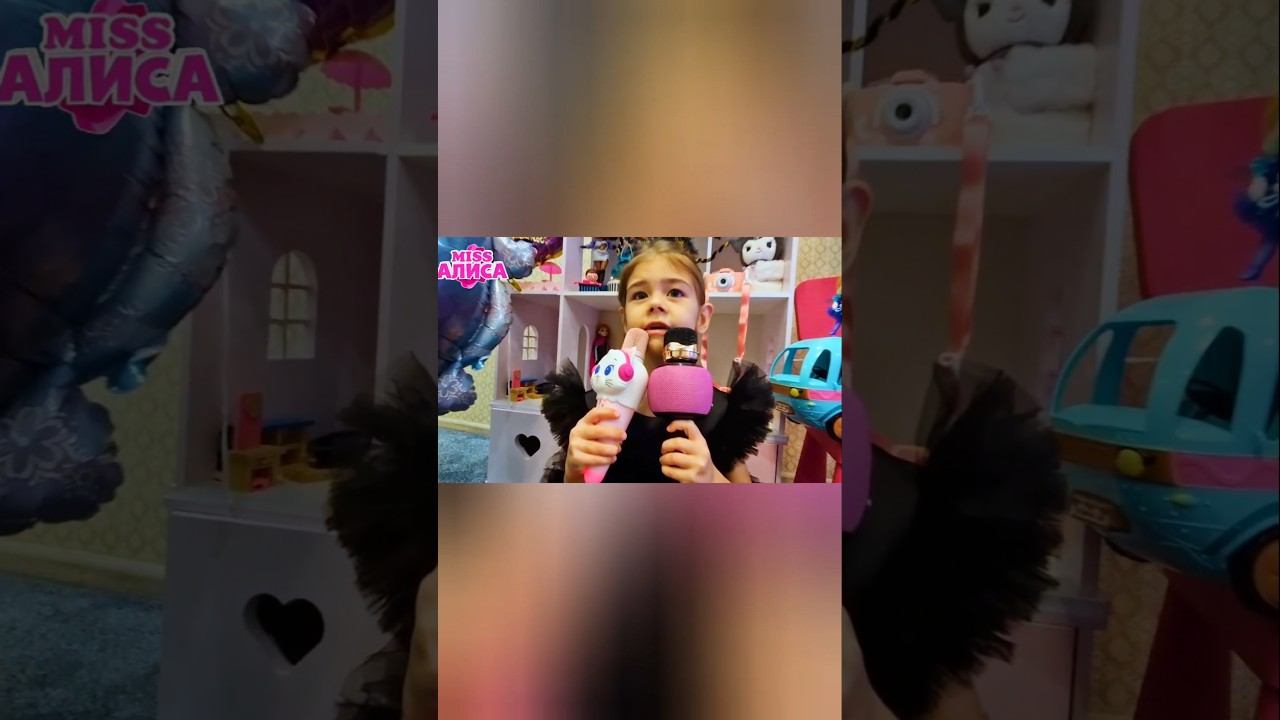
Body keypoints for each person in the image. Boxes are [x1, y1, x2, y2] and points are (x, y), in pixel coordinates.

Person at [540, 240, 774, 483]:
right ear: (624, 319)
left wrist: (712, 479)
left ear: (703, 318)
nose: (655, 304)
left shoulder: (722, 414)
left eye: (675, 293)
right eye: (640, 295)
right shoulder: (592, 409)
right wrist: (574, 471)